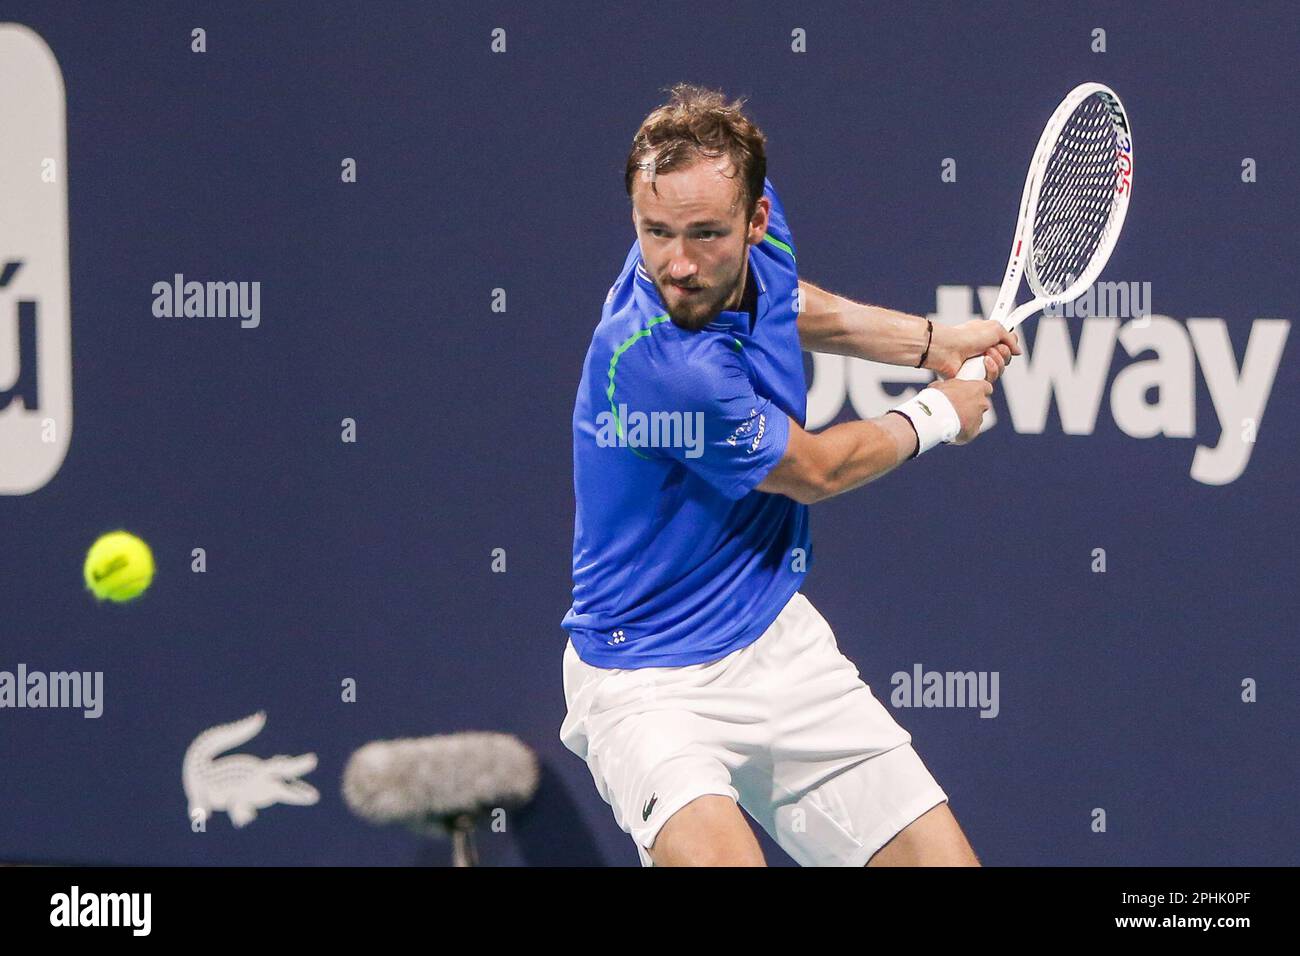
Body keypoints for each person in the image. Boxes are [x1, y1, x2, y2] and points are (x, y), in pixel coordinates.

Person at [559, 83, 1020, 866]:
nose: (679, 264)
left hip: (776, 641)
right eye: (655, 233)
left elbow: (792, 303)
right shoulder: (660, 364)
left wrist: (931, 340)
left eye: (706, 234)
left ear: (755, 218)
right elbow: (814, 470)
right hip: (647, 682)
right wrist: (941, 412)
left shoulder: (748, 240)